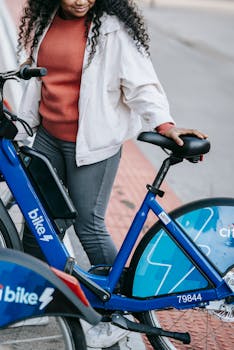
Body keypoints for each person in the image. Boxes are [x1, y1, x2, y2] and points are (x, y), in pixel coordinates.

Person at [16, 0, 208, 347]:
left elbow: (142, 85)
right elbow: (37, 77)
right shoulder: (44, 21)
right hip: (46, 138)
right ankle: (35, 300)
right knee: (38, 221)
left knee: (89, 224)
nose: (81, 0)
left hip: (91, 144)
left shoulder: (112, 29)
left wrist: (164, 124)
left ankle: (117, 316)